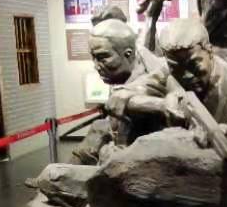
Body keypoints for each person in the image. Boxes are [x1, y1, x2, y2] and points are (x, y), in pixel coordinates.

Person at [135, 17, 227, 151]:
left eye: (193, 65)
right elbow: (125, 95)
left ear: (209, 51)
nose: (186, 75)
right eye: (176, 68)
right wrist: (161, 105)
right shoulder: (166, 73)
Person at [72, 19, 171, 164]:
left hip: (150, 156)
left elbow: (155, 81)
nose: (96, 66)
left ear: (128, 54)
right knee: (98, 129)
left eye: (102, 57)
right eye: (94, 58)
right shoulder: (135, 57)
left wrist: (130, 93)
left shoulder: (156, 74)